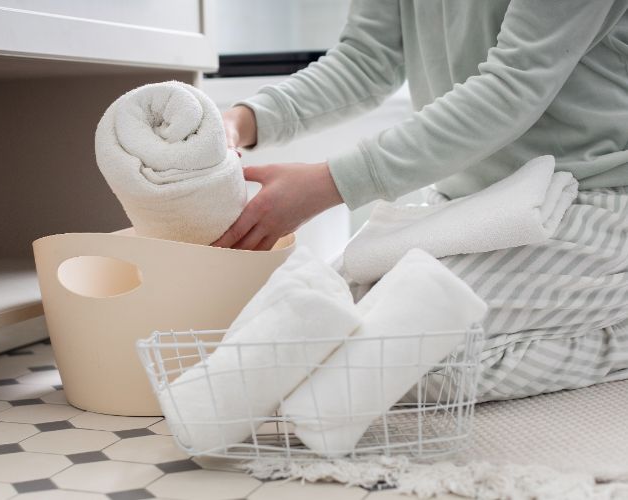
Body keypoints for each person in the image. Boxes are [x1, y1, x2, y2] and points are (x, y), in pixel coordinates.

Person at [214, 0, 628, 401]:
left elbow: (513, 84)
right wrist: (240, 122)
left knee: (399, 367)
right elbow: (365, 59)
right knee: (299, 327)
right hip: (468, 208)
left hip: (587, 201)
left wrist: (329, 184)